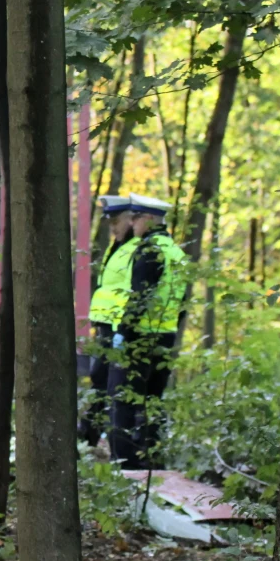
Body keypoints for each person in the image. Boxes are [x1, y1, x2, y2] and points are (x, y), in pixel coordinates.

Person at [107, 194, 187, 469]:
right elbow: (182, 302)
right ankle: (152, 457)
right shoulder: (175, 252)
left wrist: (123, 332)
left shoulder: (149, 250)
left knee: (124, 399)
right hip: (165, 336)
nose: (132, 223)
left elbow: (139, 296)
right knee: (153, 399)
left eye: (136, 218)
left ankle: (125, 463)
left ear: (150, 219)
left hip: (139, 336)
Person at [79, 195, 138, 445]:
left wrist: (121, 329)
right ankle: (88, 434)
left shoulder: (135, 248)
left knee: (110, 383)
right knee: (99, 379)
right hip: (106, 326)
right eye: (110, 222)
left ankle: (96, 436)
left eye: (116, 222)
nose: (113, 227)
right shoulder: (118, 247)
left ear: (130, 220)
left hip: (119, 328)